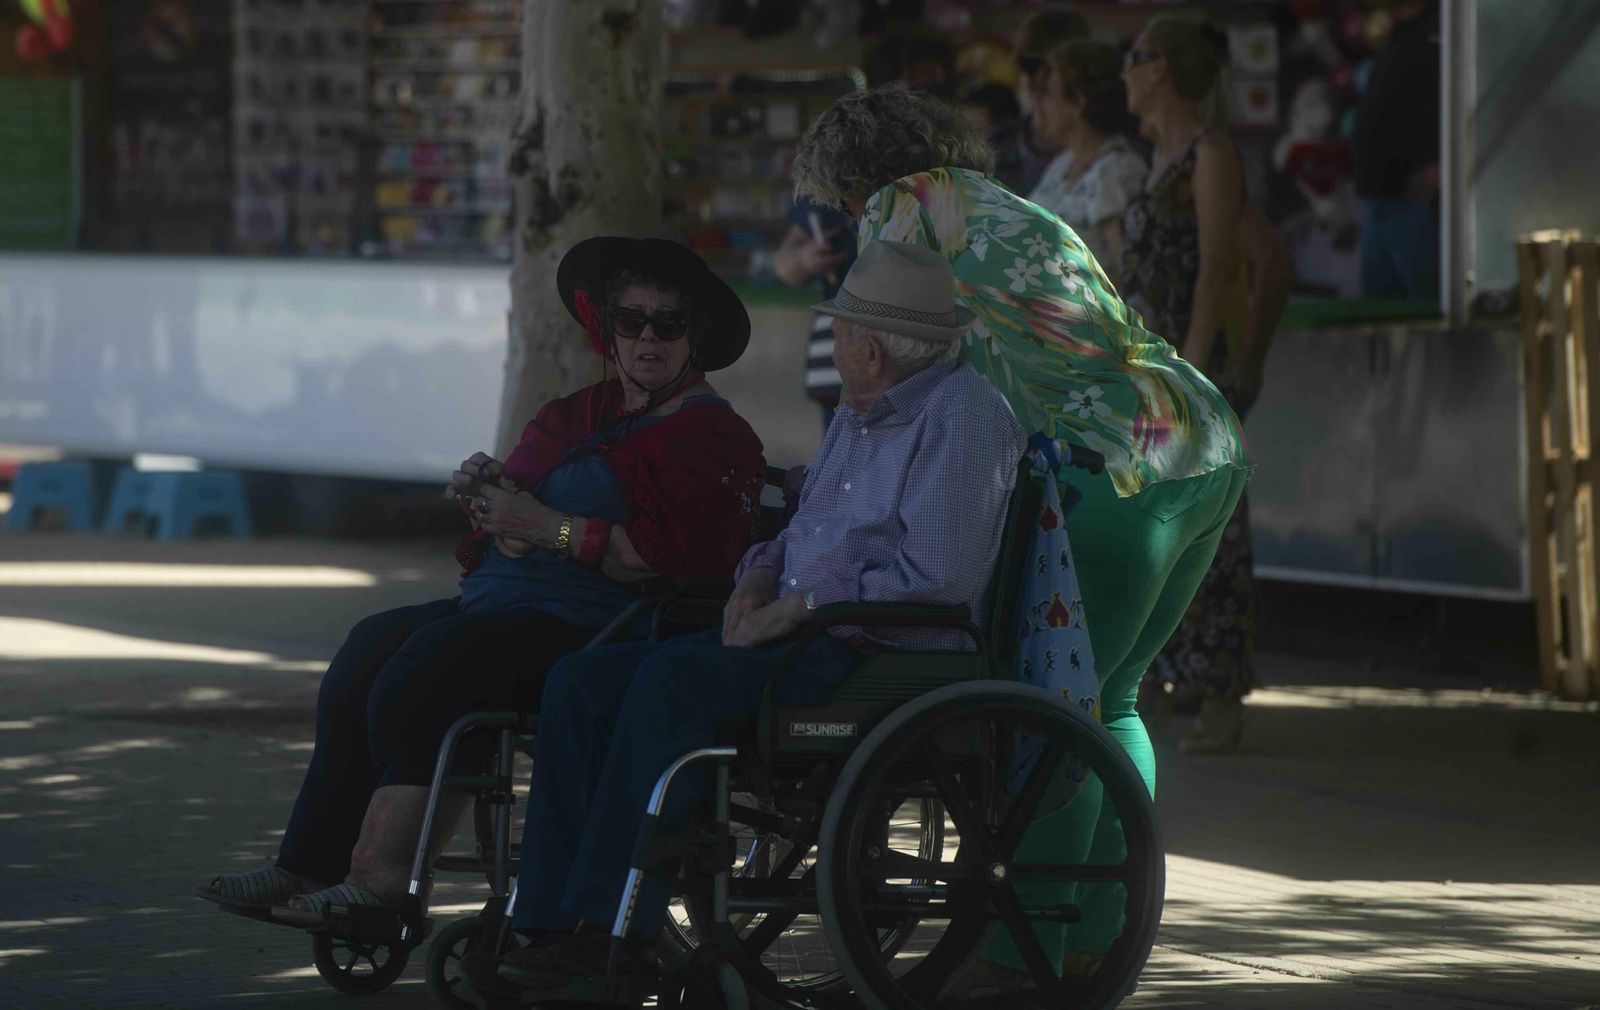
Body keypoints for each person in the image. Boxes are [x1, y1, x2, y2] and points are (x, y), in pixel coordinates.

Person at [789, 84, 1251, 992]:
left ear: (853, 178)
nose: (845, 215)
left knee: (1050, 703)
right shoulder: (1003, 203)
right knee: (1110, 698)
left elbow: (884, 360)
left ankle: (1015, 958)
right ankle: (1088, 943)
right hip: (1196, 439)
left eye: (839, 199)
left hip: (1110, 458)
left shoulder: (901, 208)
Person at [485, 240, 1027, 995]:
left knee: (672, 684)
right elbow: (801, 530)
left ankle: (619, 931)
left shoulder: (961, 418)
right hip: (805, 631)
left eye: (838, 331)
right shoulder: (862, 411)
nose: (831, 344)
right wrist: (758, 579)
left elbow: (936, 581)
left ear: (870, 349)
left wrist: (795, 608)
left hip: (878, 651)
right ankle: (543, 923)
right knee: (582, 681)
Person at [195, 237, 767, 922]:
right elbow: (513, 517)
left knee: (431, 669)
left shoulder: (712, 436)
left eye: (668, 324)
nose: (648, 338)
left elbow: (671, 563)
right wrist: (491, 500)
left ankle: (383, 885)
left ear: (694, 336)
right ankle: (306, 867)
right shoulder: (575, 413)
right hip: (507, 603)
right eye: (631, 320)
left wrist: (547, 527)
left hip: (608, 627)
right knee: (367, 648)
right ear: (608, 329)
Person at [1119, 17, 1291, 753]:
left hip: (1185, 373)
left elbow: (1222, 267)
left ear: (1159, 68)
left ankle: (1221, 690)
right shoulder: (1158, 160)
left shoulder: (1209, 155)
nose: (1123, 73)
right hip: (1150, 374)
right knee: (1157, 531)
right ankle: (1166, 677)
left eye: (1131, 59)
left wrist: (1191, 375)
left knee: (1213, 538)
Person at [1027, 39, 1147, 278]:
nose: (1040, 107)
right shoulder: (1061, 163)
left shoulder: (1116, 171)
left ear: (1078, 102)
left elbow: (1127, 270)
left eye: (1048, 94)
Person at [1352, 0, 1440, 301]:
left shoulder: (1443, 27)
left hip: (1418, 203)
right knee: (1379, 311)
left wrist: (1446, 168)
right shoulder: (1395, 32)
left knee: (1426, 307)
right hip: (1377, 199)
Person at [989, 4, 1090, 196]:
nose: (1042, 80)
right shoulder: (995, 147)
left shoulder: (1105, 154)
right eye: (1029, 65)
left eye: (1054, 69)